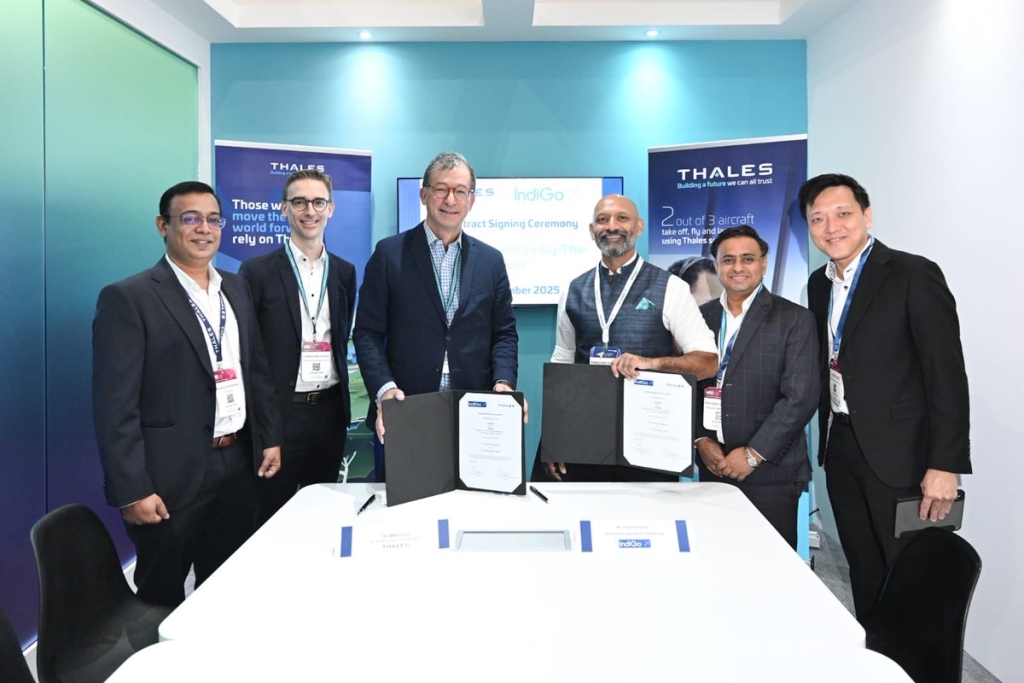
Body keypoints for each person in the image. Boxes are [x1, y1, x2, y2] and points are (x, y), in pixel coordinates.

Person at [92, 181, 282, 607]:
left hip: (238, 463)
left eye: (213, 219)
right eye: (190, 218)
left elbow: (255, 370)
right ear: (163, 225)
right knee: (160, 598)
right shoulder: (129, 298)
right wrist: (132, 490)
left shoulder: (236, 287)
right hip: (169, 477)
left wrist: (269, 435)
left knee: (225, 589)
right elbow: (114, 407)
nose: (204, 229)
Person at [802, 173, 971, 619]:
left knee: (912, 574)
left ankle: (919, 658)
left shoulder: (913, 274)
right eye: (818, 218)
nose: (831, 227)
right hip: (842, 446)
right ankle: (877, 650)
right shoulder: (819, 284)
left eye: (842, 214)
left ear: (867, 216)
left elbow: (947, 376)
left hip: (904, 456)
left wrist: (945, 464)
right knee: (863, 566)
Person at [353, 151, 519, 481]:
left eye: (460, 191)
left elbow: (504, 333)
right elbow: (367, 332)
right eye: (441, 189)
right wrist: (385, 389)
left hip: (474, 409)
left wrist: (503, 383)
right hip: (407, 405)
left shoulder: (491, 261)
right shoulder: (389, 254)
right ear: (424, 194)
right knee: (408, 502)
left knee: (473, 501)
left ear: (471, 200)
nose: (450, 200)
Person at [545, 194, 718, 482]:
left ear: (638, 227)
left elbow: (708, 362)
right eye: (603, 220)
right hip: (585, 440)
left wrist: (653, 364)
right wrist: (555, 435)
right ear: (592, 230)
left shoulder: (671, 287)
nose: (612, 226)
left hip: (651, 439)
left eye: (622, 218)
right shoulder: (572, 290)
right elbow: (562, 362)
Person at [239, 169, 357, 526]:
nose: (310, 211)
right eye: (300, 202)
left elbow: (341, 339)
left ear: (331, 208)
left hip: (330, 413)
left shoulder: (344, 272)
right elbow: (252, 356)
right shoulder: (256, 272)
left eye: (318, 202)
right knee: (272, 518)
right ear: (284, 208)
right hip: (281, 415)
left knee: (322, 516)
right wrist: (266, 428)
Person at [694, 225, 819, 549]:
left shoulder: (795, 319)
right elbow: (689, 387)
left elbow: (801, 397)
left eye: (747, 259)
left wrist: (753, 455)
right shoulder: (700, 317)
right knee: (717, 557)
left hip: (770, 472)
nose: (738, 267)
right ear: (717, 265)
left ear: (764, 264)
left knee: (770, 563)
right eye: (728, 260)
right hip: (713, 464)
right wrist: (701, 440)